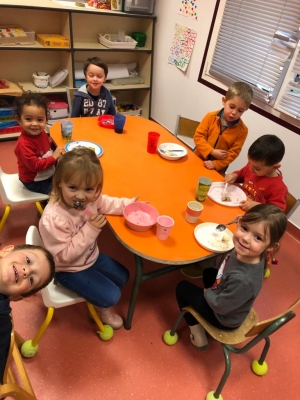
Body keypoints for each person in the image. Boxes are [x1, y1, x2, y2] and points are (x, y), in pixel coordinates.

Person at [39, 147, 138, 329]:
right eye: (73, 188)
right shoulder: (53, 218)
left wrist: (129, 205)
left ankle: (96, 294)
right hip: (67, 269)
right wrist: (90, 229)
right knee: (112, 296)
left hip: (89, 256)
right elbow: (63, 257)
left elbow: (106, 202)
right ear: (59, 182)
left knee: (123, 277)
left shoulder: (91, 199)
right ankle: (102, 311)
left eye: (89, 189)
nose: (81, 196)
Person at [176, 204, 287, 351]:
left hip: (223, 318)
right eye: (245, 228)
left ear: (271, 247)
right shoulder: (250, 253)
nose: (245, 239)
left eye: (258, 238)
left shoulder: (244, 280)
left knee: (182, 288)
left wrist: (207, 292)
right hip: (224, 292)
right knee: (209, 272)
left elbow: (220, 306)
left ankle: (198, 334)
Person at [0, 244, 55, 383]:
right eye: (28, 260)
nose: (27, 271)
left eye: (31, 280)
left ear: (17, 297)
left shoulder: (2, 322)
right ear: (6, 251)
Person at [193, 81, 253, 174]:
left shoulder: (243, 130)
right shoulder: (210, 116)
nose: (234, 112)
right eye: (232, 106)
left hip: (218, 168)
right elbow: (198, 137)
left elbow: (233, 153)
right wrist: (211, 151)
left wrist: (216, 164)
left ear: (245, 110)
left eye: (240, 111)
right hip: (198, 158)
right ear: (224, 101)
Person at [14, 92, 63, 195]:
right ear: (19, 120)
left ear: (46, 120)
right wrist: (54, 157)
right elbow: (35, 166)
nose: (35, 124)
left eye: (40, 120)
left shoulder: (41, 133)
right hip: (34, 181)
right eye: (28, 119)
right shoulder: (23, 144)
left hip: (47, 173)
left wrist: (54, 147)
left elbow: (45, 148)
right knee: (61, 193)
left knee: (68, 180)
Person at [225, 134, 288, 212]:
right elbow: (241, 174)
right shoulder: (252, 167)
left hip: (253, 217)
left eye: (257, 168)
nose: (251, 168)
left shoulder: (279, 188)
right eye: (249, 163)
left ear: (275, 167)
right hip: (237, 204)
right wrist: (234, 175)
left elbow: (277, 212)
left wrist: (258, 206)